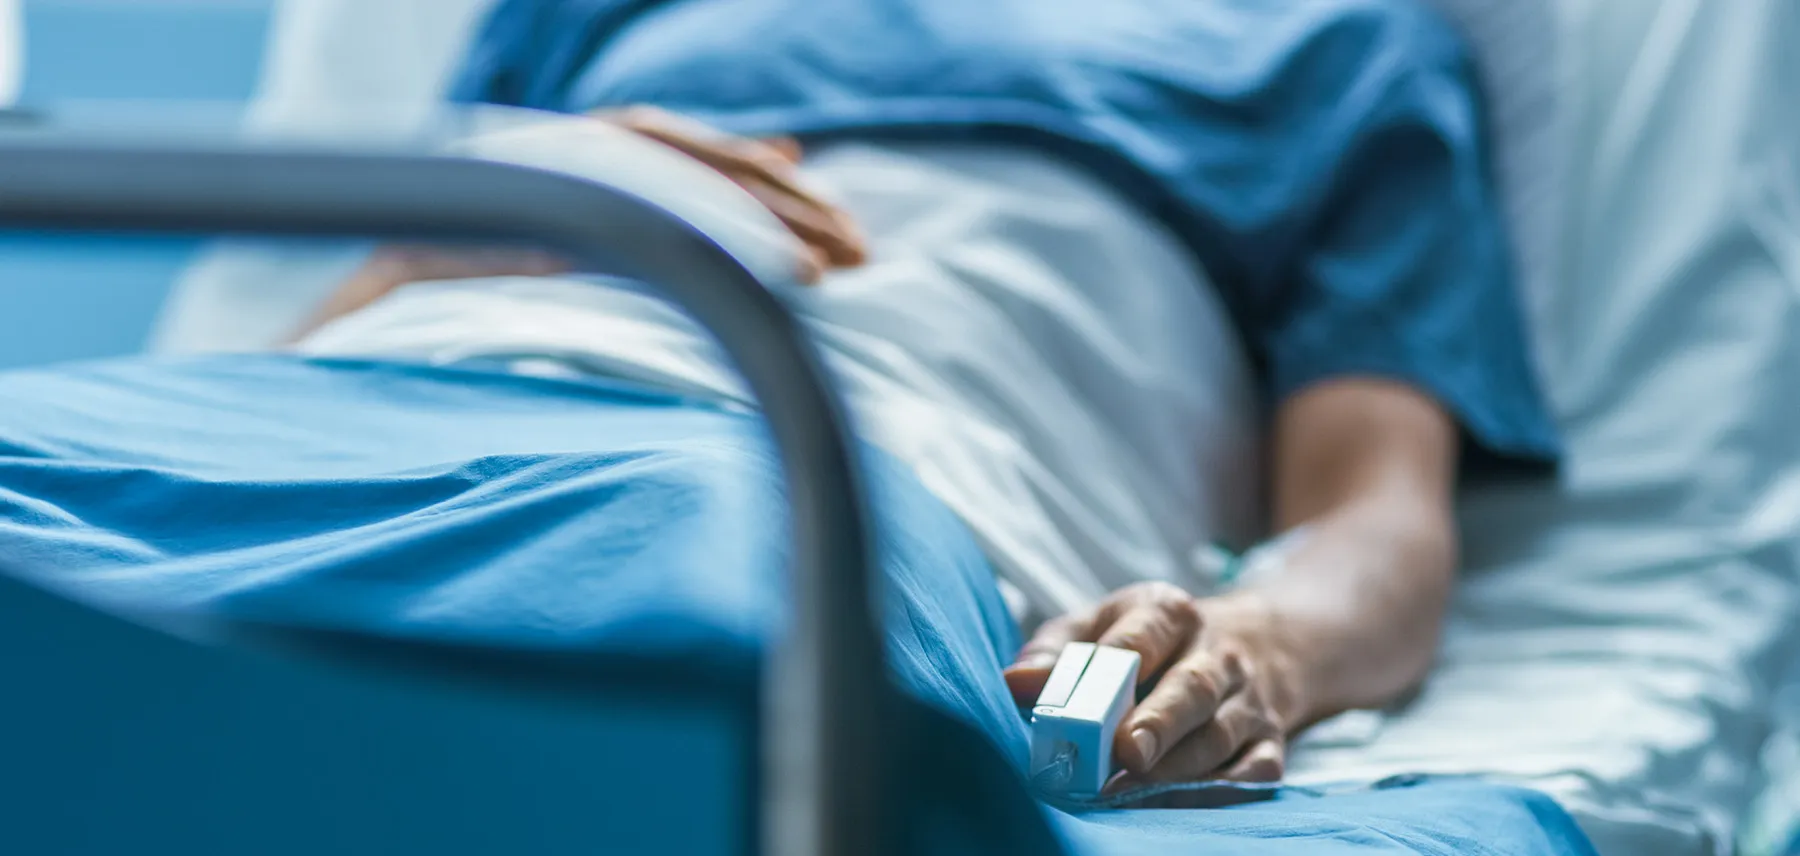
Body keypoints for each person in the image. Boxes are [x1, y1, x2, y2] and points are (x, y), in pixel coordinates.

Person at [291, 0, 1561, 790]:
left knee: (632, 665)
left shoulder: (1339, 47)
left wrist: (1248, 648)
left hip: (822, 458)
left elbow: (1373, 519)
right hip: (366, 404)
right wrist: (477, 219)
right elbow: (294, 344)